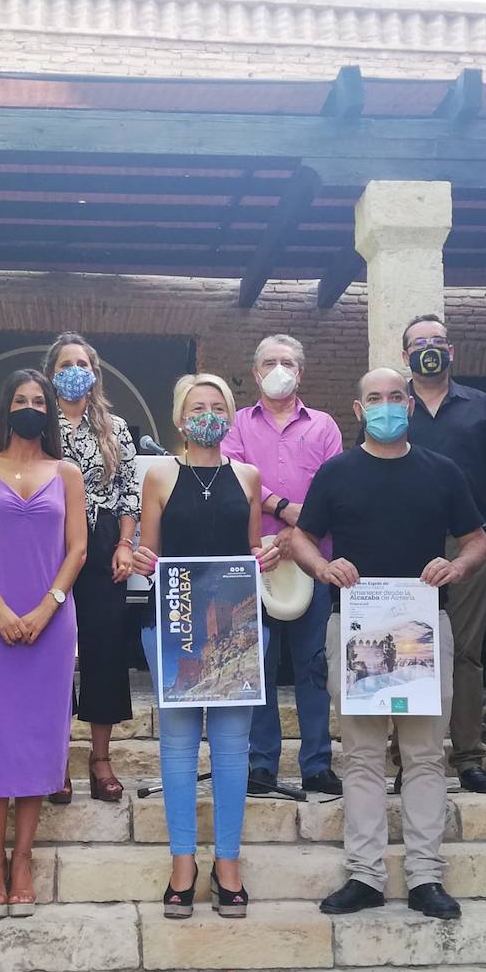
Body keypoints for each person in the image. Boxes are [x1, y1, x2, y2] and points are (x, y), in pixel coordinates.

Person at [291, 367, 486, 920]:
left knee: (425, 755)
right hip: (357, 626)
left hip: (424, 626)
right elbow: (300, 536)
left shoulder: (442, 472)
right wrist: (324, 566)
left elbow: (475, 540)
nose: (385, 405)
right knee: (361, 757)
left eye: (395, 397)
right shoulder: (336, 473)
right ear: (357, 410)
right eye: (373, 398)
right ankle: (366, 876)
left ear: (409, 405)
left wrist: (457, 564)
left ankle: (426, 877)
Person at [132, 373, 280, 919]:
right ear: (179, 417)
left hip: (239, 628)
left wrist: (268, 555)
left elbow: (251, 549)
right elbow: (148, 549)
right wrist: (137, 558)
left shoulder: (247, 475)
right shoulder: (160, 477)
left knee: (232, 746)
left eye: (218, 406)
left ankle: (229, 864)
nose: (208, 415)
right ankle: (181, 863)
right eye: (198, 407)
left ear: (231, 415)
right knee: (175, 746)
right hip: (172, 628)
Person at [0, 369, 86, 917]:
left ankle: (24, 857)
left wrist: (44, 609)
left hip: (50, 624)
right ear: (5, 409)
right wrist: (0, 610)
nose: (29, 407)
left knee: (37, 737)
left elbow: (77, 549)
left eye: (38, 400)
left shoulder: (68, 472)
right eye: (20, 399)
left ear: (49, 412)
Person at [393, 315, 486, 796]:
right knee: (409, 650)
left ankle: (469, 757)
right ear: (405, 356)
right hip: (404, 546)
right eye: (419, 343)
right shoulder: (393, 404)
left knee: (465, 651)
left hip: (470, 544)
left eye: (438, 341)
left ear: (452, 351)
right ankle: (411, 760)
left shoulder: (482, 407)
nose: (430, 349)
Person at [219, 334, 343, 796]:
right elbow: (231, 478)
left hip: (313, 560)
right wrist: (284, 508)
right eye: (268, 362)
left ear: (300, 372)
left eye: (286, 362)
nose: (277, 369)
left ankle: (316, 763)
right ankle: (261, 763)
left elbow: (336, 489)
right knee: (260, 664)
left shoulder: (325, 426)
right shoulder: (236, 424)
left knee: (314, 666)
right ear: (255, 373)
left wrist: (298, 530)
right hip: (255, 559)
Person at [44, 332, 140, 803]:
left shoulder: (115, 428)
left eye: (82, 363)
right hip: (49, 542)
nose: (74, 370)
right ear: (51, 372)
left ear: (94, 372)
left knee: (104, 647)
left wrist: (125, 544)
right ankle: (54, 758)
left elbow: (128, 495)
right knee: (54, 650)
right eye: (65, 363)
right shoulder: (38, 424)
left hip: (103, 542)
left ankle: (100, 758)